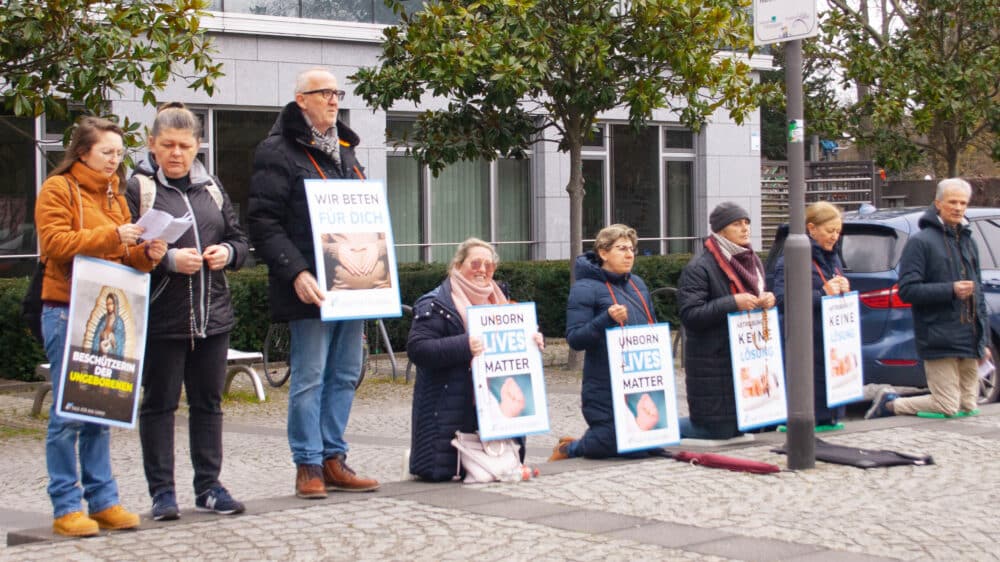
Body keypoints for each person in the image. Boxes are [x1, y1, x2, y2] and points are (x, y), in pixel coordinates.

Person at [248, 67, 378, 498]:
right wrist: (296, 272)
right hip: (311, 284)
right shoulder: (277, 150)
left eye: (337, 92)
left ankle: (333, 457)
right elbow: (262, 221)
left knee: (345, 373)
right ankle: (307, 464)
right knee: (310, 375)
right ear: (300, 99)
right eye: (323, 93)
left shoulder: (346, 148)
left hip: (355, 281)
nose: (333, 99)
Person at [35, 116, 167, 537]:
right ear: (82, 152)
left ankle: (103, 499)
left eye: (118, 153)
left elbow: (124, 254)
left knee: (101, 410)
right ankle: (66, 504)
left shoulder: (115, 194)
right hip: (66, 309)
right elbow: (54, 244)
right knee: (68, 412)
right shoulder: (59, 189)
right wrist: (115, 235)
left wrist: (147, 253)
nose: (114, 160)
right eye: (106, 152)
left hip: (107, 307)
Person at [126, 103, 250, 521]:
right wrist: (166, 260)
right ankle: (162, 493)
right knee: (159, 404)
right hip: (162, 317)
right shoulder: (139, 190)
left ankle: (210, 487)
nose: (176, 153)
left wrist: (228, 253)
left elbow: (240, 240)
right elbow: (123, 250)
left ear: (198, 146)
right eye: (168, 145)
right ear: (152, 145)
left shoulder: (211, 188)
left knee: (208, 404)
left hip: (212, 316)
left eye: (185, 145)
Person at [406, 238, 543, 481]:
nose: (483, 270)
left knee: (495, 471)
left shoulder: (503, 302)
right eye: (475, 263)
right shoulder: (435, 303)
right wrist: (464, 345)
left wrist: (531, 342)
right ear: (457, 266)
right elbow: (418, 350)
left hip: (491, 410)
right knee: (444, 474)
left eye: (489, 265)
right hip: (449, 413)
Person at [866, 178, 991, 419]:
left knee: (969, 406)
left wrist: (982, 340)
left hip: (969, 338)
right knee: (947, 406)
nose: (957, 207)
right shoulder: (920, 242)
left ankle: (955, 451)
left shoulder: (968, 241)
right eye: (952, 202)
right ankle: (890, 403)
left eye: (962, 203)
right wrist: (951, 290)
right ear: (938, 204)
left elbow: (979, 297)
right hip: (938, 335)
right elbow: (908, 290)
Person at [551, 224, 658, 460]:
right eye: (621, 248)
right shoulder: (584, 288)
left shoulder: (638, 284)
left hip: (640, 381)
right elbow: (576, 339)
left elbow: (653, 325)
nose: (629, 254)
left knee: (648, 446)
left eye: (631, 249)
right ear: (603, 252)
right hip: (604, 385)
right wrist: (606, 319)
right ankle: (570, 448)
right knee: (609, 443)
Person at [676, 203, 776, 439]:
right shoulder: (700, 266)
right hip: (713, 362)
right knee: (717, 430)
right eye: (737, 224)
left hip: (747, 358)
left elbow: (756, 297)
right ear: (720, 231)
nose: (745, 229)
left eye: (746, 223)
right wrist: (733, 303)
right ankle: (652, 429)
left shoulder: (753, 261)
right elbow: (690, 315)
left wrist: (769, 299)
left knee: (742, 427)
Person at [771, 201, 849, 429]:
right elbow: (782, 299)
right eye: (829, 231)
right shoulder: (791, 258)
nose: (834, 237)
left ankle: (831, 416)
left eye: (838, 231)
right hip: (804, 342)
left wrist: (843, 288)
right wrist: (822, 293)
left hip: (831, 341)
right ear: (812, 228)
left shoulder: (833, 258)